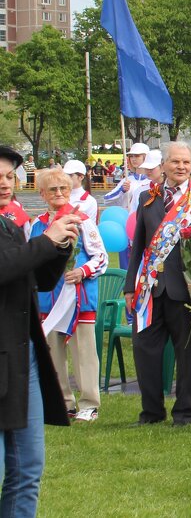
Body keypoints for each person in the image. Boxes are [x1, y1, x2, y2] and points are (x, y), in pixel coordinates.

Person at [0, 145, 79, 517]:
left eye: (8, 176)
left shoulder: (9, 225)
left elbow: (37, 280)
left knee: (28, 468)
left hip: (21, 356)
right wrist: (44, 241)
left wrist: (60, 246)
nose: (4, 184)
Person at [124, 142, 191, 426]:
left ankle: (185, 413)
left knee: (186, 354)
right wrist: (130, 286)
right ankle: (151, 412)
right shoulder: (146, 199)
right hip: (150, 289)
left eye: (186, 162)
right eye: (175, 161)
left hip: (186, 288)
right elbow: (138, 245)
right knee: (144, 350)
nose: (181, 167)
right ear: (162, 165)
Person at [33, 168, 107, 423]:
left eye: (63, 188)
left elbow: (101, 257)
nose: (59, 193)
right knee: (53, 354)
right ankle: (63, 402)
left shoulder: (82, 219)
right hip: (48, 300)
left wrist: (82, 271)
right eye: (52, 190)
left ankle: (89, 403)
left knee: (84, 352)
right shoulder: (37, 224)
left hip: (79, 297)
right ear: (42, 194)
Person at [103, 141, 150, 212]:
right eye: (131, 156)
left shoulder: (153, 181)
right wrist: (121, 190)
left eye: (137, 156)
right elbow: (106, 200)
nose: (133, 159)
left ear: (146, 157)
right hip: (127, 220)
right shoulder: (127, 180)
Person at [62, 160, 98, 224]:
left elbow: (91, 228)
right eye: (64, 175)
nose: (65, 178)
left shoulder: (90, 201)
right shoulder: (59, 195)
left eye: (70, 175)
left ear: (81, 177)